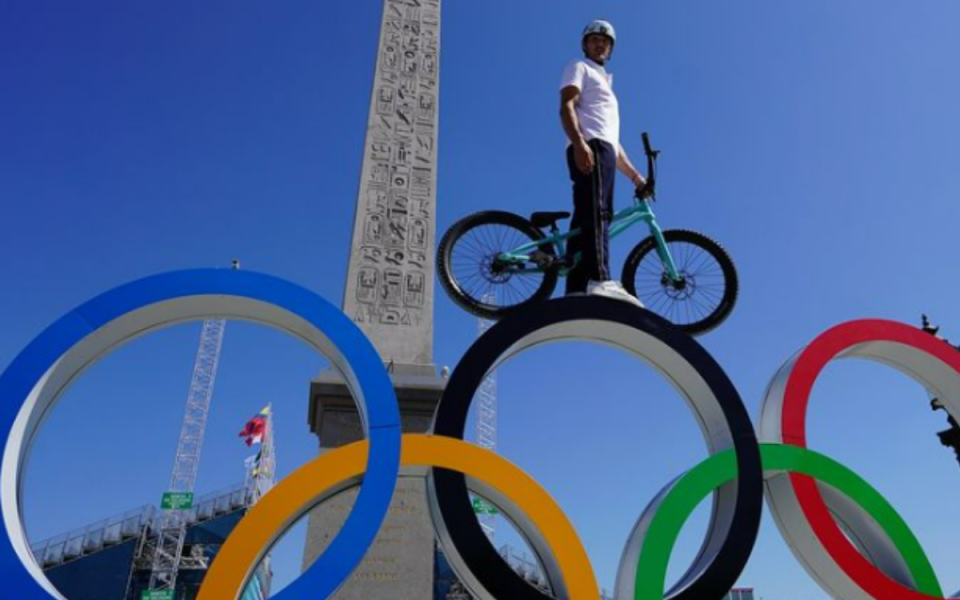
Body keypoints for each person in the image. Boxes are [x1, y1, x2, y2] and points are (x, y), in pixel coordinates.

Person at [560, 19, 647, 305]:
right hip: (591, 147)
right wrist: (579, 143)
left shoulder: (607, 86)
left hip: (602, 147)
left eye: (605, 41)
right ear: (585, 44)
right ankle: (600, 279)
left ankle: (575, 287)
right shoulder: (580, 67)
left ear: (610, 49)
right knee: (599, 211)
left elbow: (613, 143)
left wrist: (635, 177)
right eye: (594, 39)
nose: (600, 44)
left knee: (587, 216)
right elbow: (567, 106)